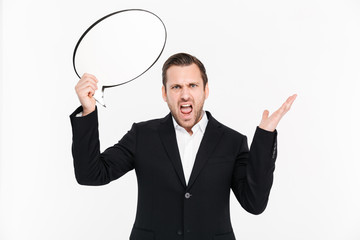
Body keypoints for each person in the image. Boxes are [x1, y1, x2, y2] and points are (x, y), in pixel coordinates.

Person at [70, 53, 296, 240]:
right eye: (176, 87)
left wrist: (265, 137)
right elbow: (90, 174)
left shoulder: (232, 142)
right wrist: (88, 110)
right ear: (164, 93)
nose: (185, 94)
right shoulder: (142, 135)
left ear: (205, 91)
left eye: (192, 85)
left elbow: (254, 203)